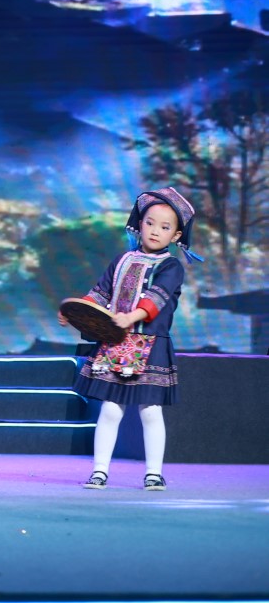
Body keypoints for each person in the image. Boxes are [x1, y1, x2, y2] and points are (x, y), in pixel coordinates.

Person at [61, 187, 196, 492]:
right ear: (139, 224)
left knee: (150, 410)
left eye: (165, 227)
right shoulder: (122, 260)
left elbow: (156, 297)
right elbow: (100, 293)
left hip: (150, 345)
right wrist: (75, 311)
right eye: (150, 223)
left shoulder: (170, 266)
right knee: (110, 409)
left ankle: (153, 473)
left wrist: (132, 317)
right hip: (116, 341)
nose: (155, 231)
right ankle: (99, 471)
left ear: (176, 235)